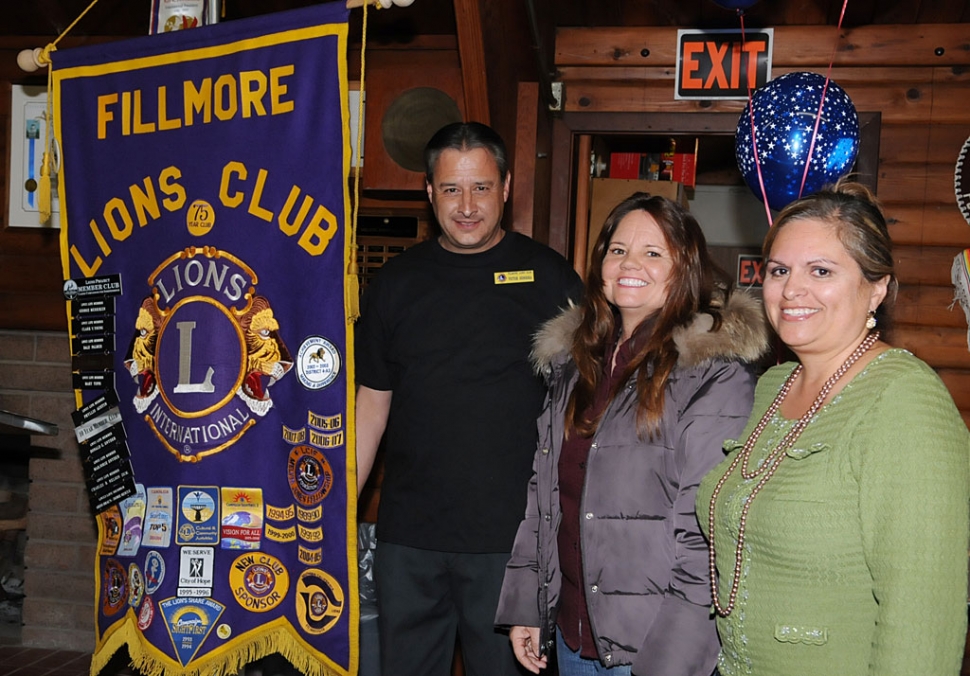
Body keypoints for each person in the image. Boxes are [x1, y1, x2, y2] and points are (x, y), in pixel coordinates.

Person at [697, 180, 970, 676]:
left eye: (821, 270)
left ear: (877, 288)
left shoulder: (906, 401)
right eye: (779, 270)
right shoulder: (774, 386)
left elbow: (922, 627)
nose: (791, 290)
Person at [495, 192, 770, 675]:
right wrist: (527, 603)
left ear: (683, 267)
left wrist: (670, 665)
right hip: (573, 637)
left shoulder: (713, 377)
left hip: (651, 650)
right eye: (618, 249)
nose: (630, 263)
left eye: (653, 252)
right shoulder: (576, 363)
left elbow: (707, 542)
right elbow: (544, 497)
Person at [354, 121, 584, 676]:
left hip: (512, 544)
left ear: (506, 188)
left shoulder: (551, 279)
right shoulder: (393, 284)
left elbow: (581, 412)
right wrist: (336, 515)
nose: (467, 205)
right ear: (429, 192)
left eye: (481, 187)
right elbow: (371, 407)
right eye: (451, 189)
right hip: (409, 541)